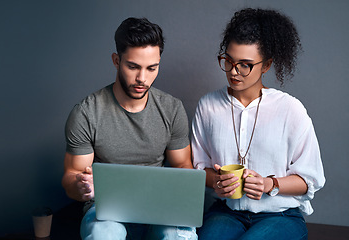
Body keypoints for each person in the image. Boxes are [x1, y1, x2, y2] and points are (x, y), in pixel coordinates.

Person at [191, 8, 326, 240]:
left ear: (266, 65)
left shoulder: (290, 109)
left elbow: (309, 180)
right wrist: (217, 182)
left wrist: (268, 184)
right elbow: (197, 169)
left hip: (280, 215)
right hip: (226, 212)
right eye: (228, 61)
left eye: (245, 64)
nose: (234, 71)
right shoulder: (208, 106)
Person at [62, 17, 196, 240]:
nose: (142, 78)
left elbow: (183, 164)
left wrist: (181, 195)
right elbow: (71, 176)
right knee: (103, 234)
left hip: (159, 207)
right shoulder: (86, 112)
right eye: (133, 66)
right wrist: (81, 186)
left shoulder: (171, 109)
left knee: (178, 235)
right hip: (105, 211)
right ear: (117, 60)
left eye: (152, 68)